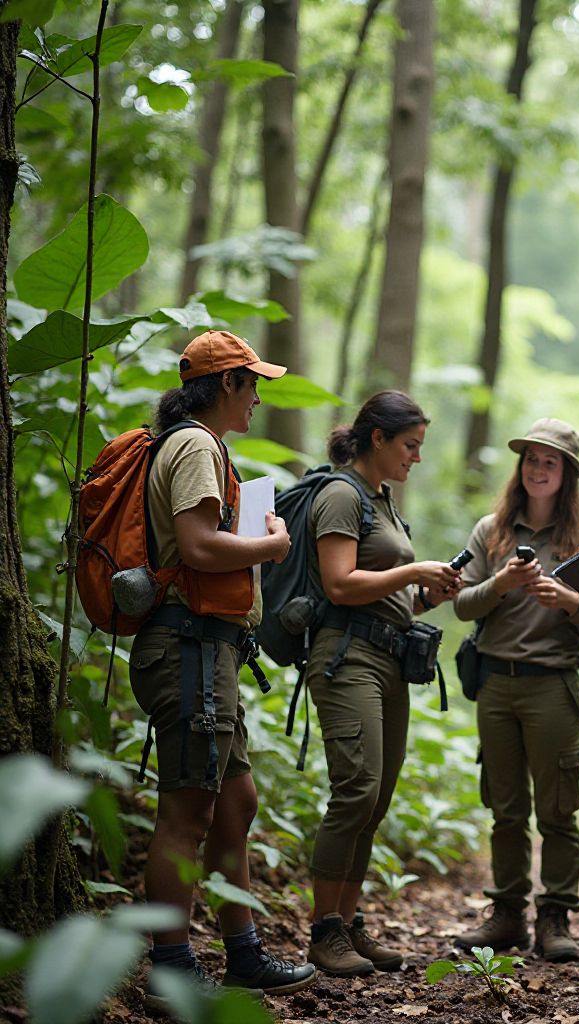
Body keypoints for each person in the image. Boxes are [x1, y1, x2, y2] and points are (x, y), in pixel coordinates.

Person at [129, 330, 316, 1011]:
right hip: (187, 652)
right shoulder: (195, 446)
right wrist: (268, 544)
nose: (259, 396)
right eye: (253, 383)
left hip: (205, 654)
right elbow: (200, 546)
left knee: (234, 804)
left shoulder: (194, 445)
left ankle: (244, 957)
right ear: (227, 384)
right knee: (187, 813)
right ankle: (172, 970)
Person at [304, 390, 462, 977]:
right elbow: (341, 585)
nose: (416, 457)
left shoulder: (383, 501)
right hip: (348, 659)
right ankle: (324, 932)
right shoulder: (342, 495)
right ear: (378, 439)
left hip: (389, 659)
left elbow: (387, 598)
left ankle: (348, 925)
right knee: (356, 790)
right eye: (410, 446)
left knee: (375, 798)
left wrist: (424, 596)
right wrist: (416, 568)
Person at [452, 418, 579, 962]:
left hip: (554, 686)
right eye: (530, 460)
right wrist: (500, 584)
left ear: (567, 474)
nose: (537, 469)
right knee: (505, 808)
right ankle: (506, 914)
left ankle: (555, 917)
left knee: (557, 810)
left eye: (549, 462)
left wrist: (568, 601)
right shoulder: (491, 531)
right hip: (497, 684)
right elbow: (462, 605)